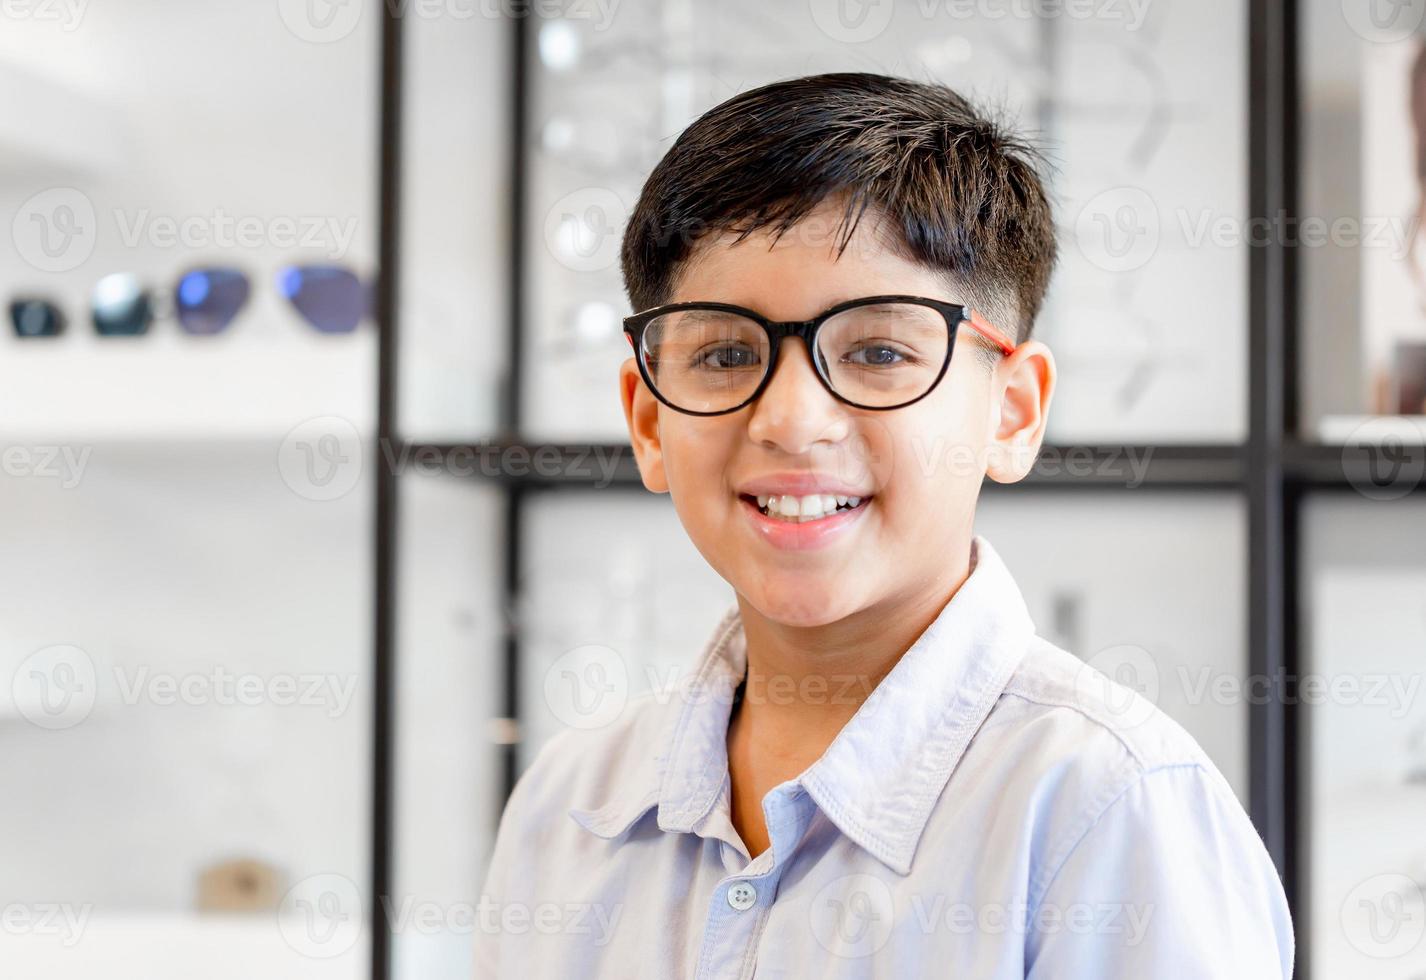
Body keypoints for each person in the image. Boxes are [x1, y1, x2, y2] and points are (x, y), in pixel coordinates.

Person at [470, 72, 1294, 978]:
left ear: (1012, 413)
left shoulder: (1110, 813)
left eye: (878, 352)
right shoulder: (570, 803)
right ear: (647, 419)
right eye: (725, 353)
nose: (791, 419)